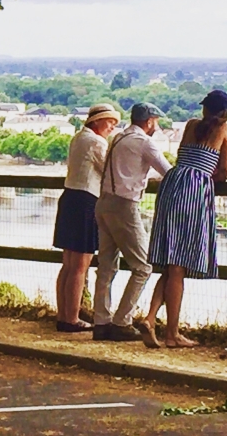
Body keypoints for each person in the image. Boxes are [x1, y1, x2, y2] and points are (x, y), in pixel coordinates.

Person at [142, 90, 227, 348]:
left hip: (173, 182)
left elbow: (185, 153)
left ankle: (150, 319)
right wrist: (219, 174)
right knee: (179, 264)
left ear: (205, 108)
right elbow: (224, 169)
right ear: (225, 111)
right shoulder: (224, 129)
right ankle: (172, 335)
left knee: (171, 264)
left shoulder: (191, 125)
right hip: (195, 190)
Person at [93, 102, 173, 342]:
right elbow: (168, 171)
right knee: (143, 266)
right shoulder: (144, 143)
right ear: (149, 121)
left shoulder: (117, 138)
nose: (156, 126)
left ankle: (101, 321)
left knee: (106, 265)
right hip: (125, 205)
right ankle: (122, 321)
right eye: (156, 122)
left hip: (103, 202)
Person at [53, 104, 121, 332]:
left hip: (70, 197)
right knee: (81, 265)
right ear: (97, 121)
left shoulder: (78, 138)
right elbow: (108, 171)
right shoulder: (96, 142)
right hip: (86, 201)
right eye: (109, 121)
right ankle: (71, 318)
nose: (112, 126)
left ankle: (63, 315)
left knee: (68, 265)